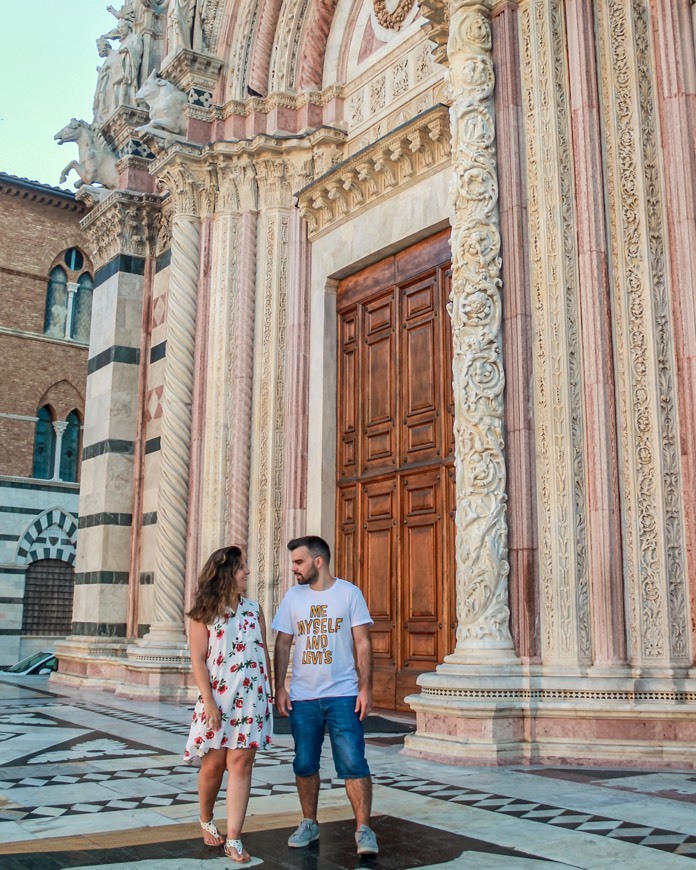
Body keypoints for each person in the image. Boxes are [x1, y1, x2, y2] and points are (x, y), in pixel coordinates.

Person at [273, 535, 379, 856]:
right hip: (304, 697)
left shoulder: (349, 593)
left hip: (344, 695)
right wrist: (280, 686)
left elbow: (362, 642)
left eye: (299, 561)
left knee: (353, 762)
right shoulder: (293, 598)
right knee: (304, 762)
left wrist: (366, 687)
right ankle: (309, 822)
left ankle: (363, 830)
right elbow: (282, 644)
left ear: (318, 561)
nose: (294, 568)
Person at [184, 546, 273, 864]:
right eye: (241, 568)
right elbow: (197, 659)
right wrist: (208, 703)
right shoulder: (203, 613)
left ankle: (234, 838)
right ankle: (206, 819)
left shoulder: (254, 609)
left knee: (241, 765)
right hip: (217, 700)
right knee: (213, 765)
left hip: (251, 699)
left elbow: (263, 653)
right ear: (226, 573)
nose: (247, 572)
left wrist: (270, 695)